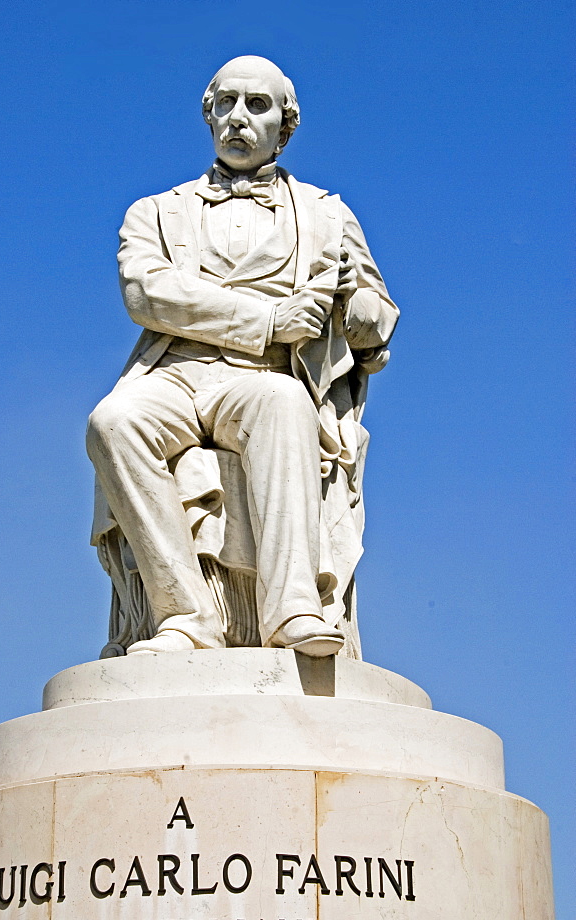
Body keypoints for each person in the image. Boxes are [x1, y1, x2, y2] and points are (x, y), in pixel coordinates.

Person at [86, 55, 399, 657]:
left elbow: (373, 309)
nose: (238, 118)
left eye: (257, 106)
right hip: (173, 370)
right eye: (225, 104)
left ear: (286, 124)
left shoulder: (327, 214)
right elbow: (148, 294)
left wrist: (362, 318)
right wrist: (268, 320)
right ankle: (185, 616)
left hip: (262, 378)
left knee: (283, 403)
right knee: (113, 422)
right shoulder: (155, 210)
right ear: (208, 116)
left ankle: (292, 611)